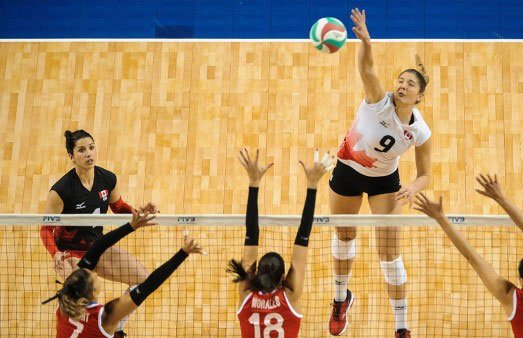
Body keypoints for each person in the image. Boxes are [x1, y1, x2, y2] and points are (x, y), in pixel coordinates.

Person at [328, 8, 432, 338]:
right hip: (347, 170)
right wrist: (366, 41)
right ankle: (340, 299)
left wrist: (414, 186)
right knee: (344, 238)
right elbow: (367, 69)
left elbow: (426, 172)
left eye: (410, 84)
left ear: (419, 96)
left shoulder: (420, 132)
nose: (402, 86)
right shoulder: (378, 101)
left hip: (385, 183)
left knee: (389, 254)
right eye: (400, 80)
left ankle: (401, 326)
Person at [414, 174, 523, 338]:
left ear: (522, 281)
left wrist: (440, 218)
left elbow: (472, 257)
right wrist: (501, 198)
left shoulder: (513, 299)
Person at [40, 129, 158, 336]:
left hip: (97, 247)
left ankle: (115, 329)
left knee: (142, 278)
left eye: (91, 148)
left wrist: (137, 212)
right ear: (71, 156)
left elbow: (118, 206)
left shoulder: (107, 179)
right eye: (82, 150)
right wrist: (55, 253)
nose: (88, 154)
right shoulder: (61, 191)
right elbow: (45, 229)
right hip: (71, 254)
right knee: (80, 301)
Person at [43, 205, 205, 338]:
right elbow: (149, 285)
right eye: (94, 276)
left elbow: (97, 248)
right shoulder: (106, 317)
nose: (94, 272)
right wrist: (183, 252)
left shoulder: (64, 300)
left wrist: (131, 226)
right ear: (93, 294)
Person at [228, 149, 334, 338]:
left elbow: (252, 234)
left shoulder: (247, 294)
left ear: (257, 272)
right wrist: (312, 184)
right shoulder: (288, 297)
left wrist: (254, 183)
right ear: (283, 277)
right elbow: (253, 234)